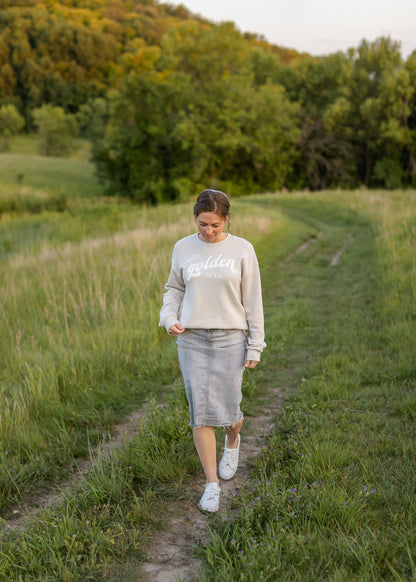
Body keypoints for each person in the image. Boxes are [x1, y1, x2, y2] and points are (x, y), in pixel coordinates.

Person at [159, 189, 265, 513]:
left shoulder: (243, 250)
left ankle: (233, 440)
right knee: (200, 411)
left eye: (215, 225)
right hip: (191, 338)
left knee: (230, 410)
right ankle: (211, 484)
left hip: (231, 338)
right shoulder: (183, 247)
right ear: (196, 218)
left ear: (226, 220)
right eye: (203, 224)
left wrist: (256, 344)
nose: (208, 231)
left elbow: (253, 301)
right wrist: (168, 316)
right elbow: (174, 288)